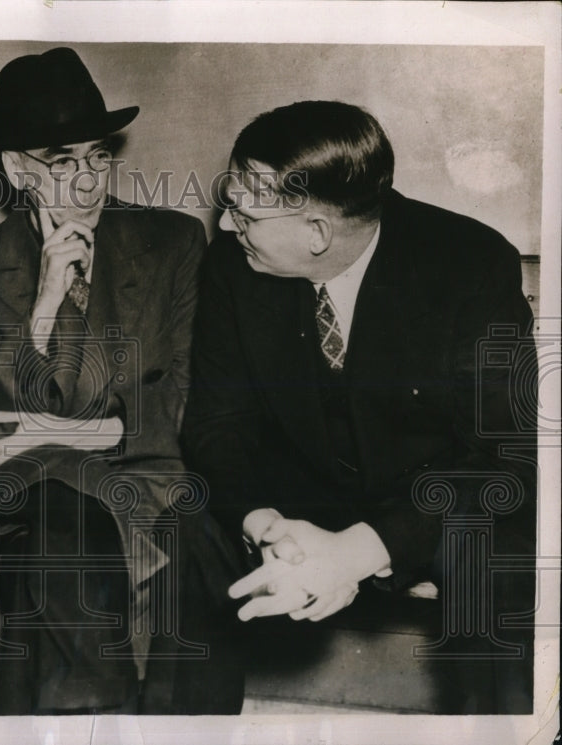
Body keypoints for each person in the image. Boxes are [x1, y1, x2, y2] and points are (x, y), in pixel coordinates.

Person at [182, 100, 537, 713]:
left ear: (317, 233)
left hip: (428, 506)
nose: (225, 221)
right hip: (295, 503)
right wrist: (268, 527)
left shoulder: (469, 263)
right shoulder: (232, 264)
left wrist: (359, 551)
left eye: (242, 209)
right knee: (172, 521)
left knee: (493, 554)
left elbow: (504, 459)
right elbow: (218, 424)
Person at [0, 47, 244, 715]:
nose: (87, 179)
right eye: (61, 160)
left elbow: (189, 390)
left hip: (153, 469)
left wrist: (84, 425)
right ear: (18, 169)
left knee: (202, 548)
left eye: (98, 155)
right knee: (58, 534)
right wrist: (43, 306)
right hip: (37, 486)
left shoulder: (172, 243)